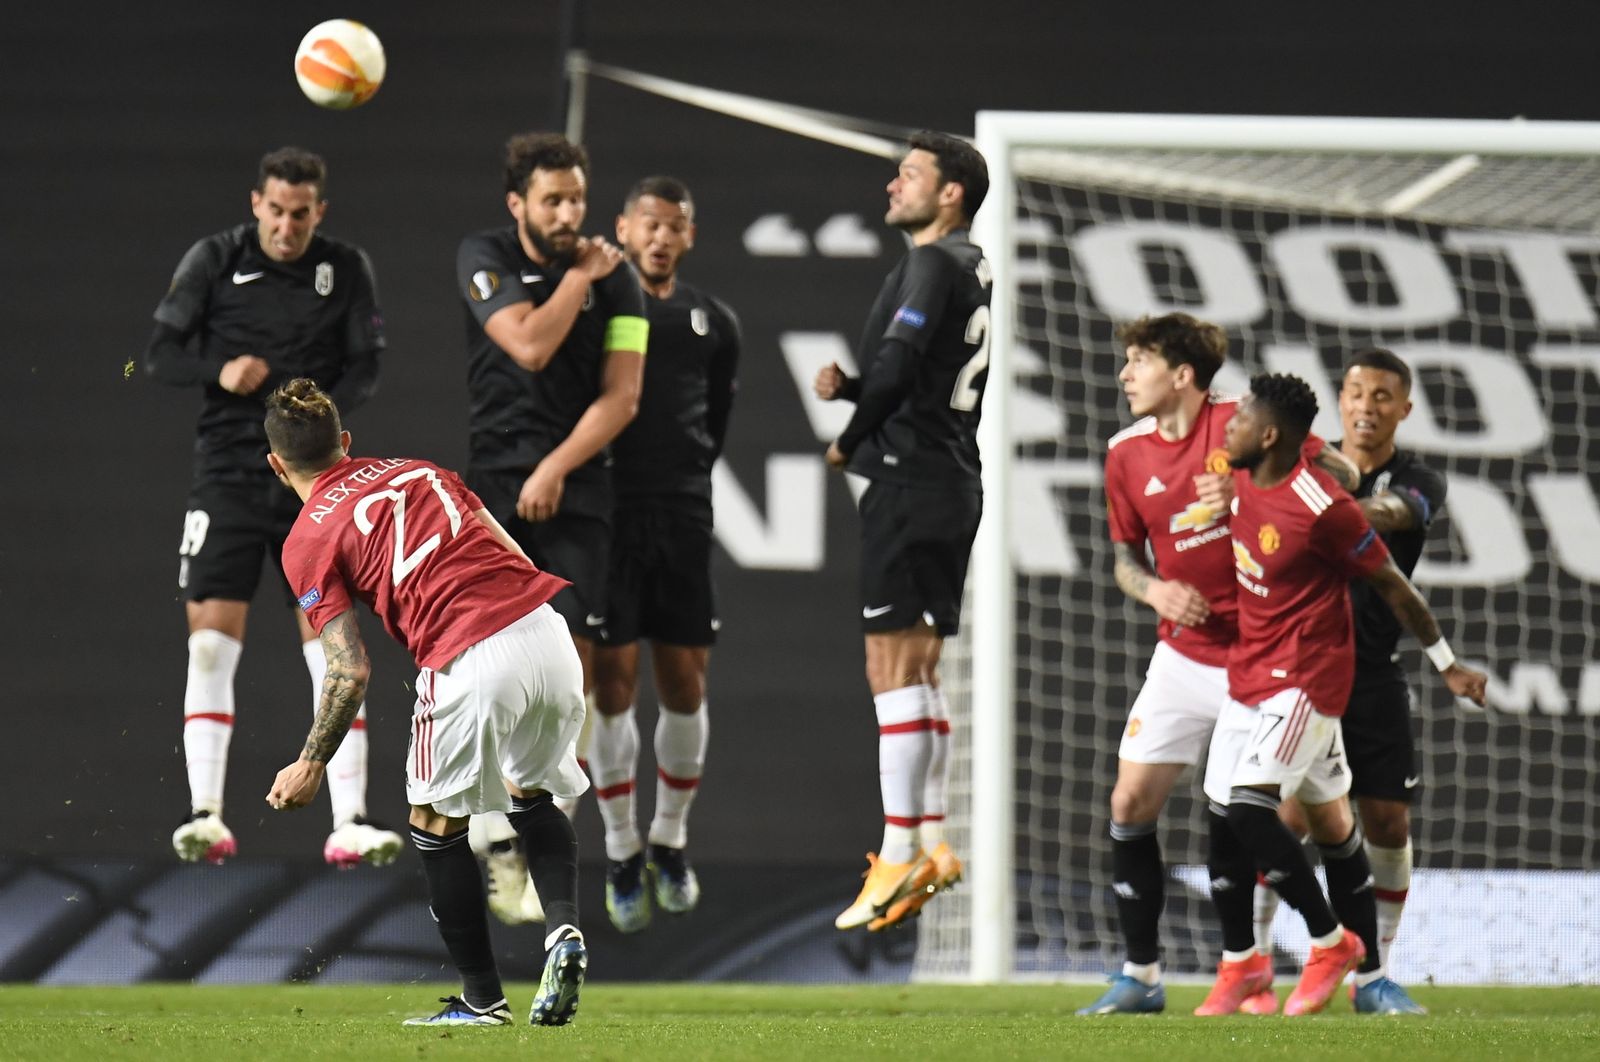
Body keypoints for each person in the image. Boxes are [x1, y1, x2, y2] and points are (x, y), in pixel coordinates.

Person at [262, 378, 589, 1028]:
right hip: (545, 627)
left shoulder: (306, 541)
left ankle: (482, 1001)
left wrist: (310, 762)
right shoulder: (419, 469)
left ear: (276, 465)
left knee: (435, 825)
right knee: (532, 795)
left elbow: (350, 670)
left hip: (468, 650)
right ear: (346, 442)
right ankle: (566, 934)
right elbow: (509, 549)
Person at [1076, 314, 1358, 1015]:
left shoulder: (1244, 424)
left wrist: (1255, 488)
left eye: (1138, 361)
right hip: (1182, 650)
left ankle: (1269, 964)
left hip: (1266, 653)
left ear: (1181, 376)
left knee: (1260, 812)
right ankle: (1142, 975)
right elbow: (1121, 562)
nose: (1124, 375)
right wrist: (1154, 588)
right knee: (1129, 801)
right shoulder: (1125, 454)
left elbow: (1344, 472)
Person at [1194, 373, 1484, 1017]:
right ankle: (1245, 963)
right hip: (1251, 671)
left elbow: (1394, 584)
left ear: (1267, 435)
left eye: (1240, 420)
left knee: (1253, 811)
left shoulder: (1321, 506)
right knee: (1268, 819)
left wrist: (1448, 664)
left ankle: (1332, 945)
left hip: (1307, 677)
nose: (1228, 429)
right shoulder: (1247, 468)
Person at [146, 146, 401, 868]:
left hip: (314, 482)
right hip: (228, 471)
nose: (288, 226)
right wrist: (216, 370)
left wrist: (313, 418)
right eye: (277, 211)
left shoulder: (344, 268)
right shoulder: (214, 259)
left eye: (302, 214)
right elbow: (154, 355)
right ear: (256, 202)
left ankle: (349, 821)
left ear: (319, 212)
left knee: (331, 645)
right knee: (208, 640)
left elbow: (369, 365)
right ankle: (206, 815)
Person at [455, 132, 648, 925]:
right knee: (493, 672)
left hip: (578, 490)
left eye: (578, 199)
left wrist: (559, 466)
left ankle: (535, 861)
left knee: (567, 675)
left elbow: (623, 396)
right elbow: (529, 344)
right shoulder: (482, 253)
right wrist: (577, 276)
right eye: (553, 201)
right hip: (495, 490)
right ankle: (491, 834)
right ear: (518, 205)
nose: (571, 214)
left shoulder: (620, 281)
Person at [812, 132, 989, 932]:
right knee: (917, 670)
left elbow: (898, 362)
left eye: (910, 175)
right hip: (945, 477)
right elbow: (914, 374)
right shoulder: (969, 265)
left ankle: (899, 853)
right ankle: (931, 844)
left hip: (911, 482)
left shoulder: (934, 261)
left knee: (890, 666)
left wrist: (851, 434)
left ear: (950, 192)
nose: (894, 185)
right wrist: (855, 388)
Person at [1250, 349, 1447, 1015]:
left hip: (1371, 672)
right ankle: (1251, 963)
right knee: (1289, 818)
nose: (1367, 405)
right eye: (1357, 392)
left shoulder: (1418, 479)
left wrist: (1332, 494)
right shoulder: (1300, 462)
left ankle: (1377, 976)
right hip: (1302, 666)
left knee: (1387, 820)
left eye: (1383, 396)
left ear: (1404, 409)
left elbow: (1394, 512)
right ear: (1340, 401)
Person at [582, 176, 740, 932]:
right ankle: (620, 849)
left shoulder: (715, 320)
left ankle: (669, 840)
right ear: (622, 228)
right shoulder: (597, 306)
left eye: (675, 226)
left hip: (679, 514)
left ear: (690, 237)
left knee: (683, 680)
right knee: (610, 684)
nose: (661, 236)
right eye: (648, 223)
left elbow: (717, 422)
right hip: (609, 516)